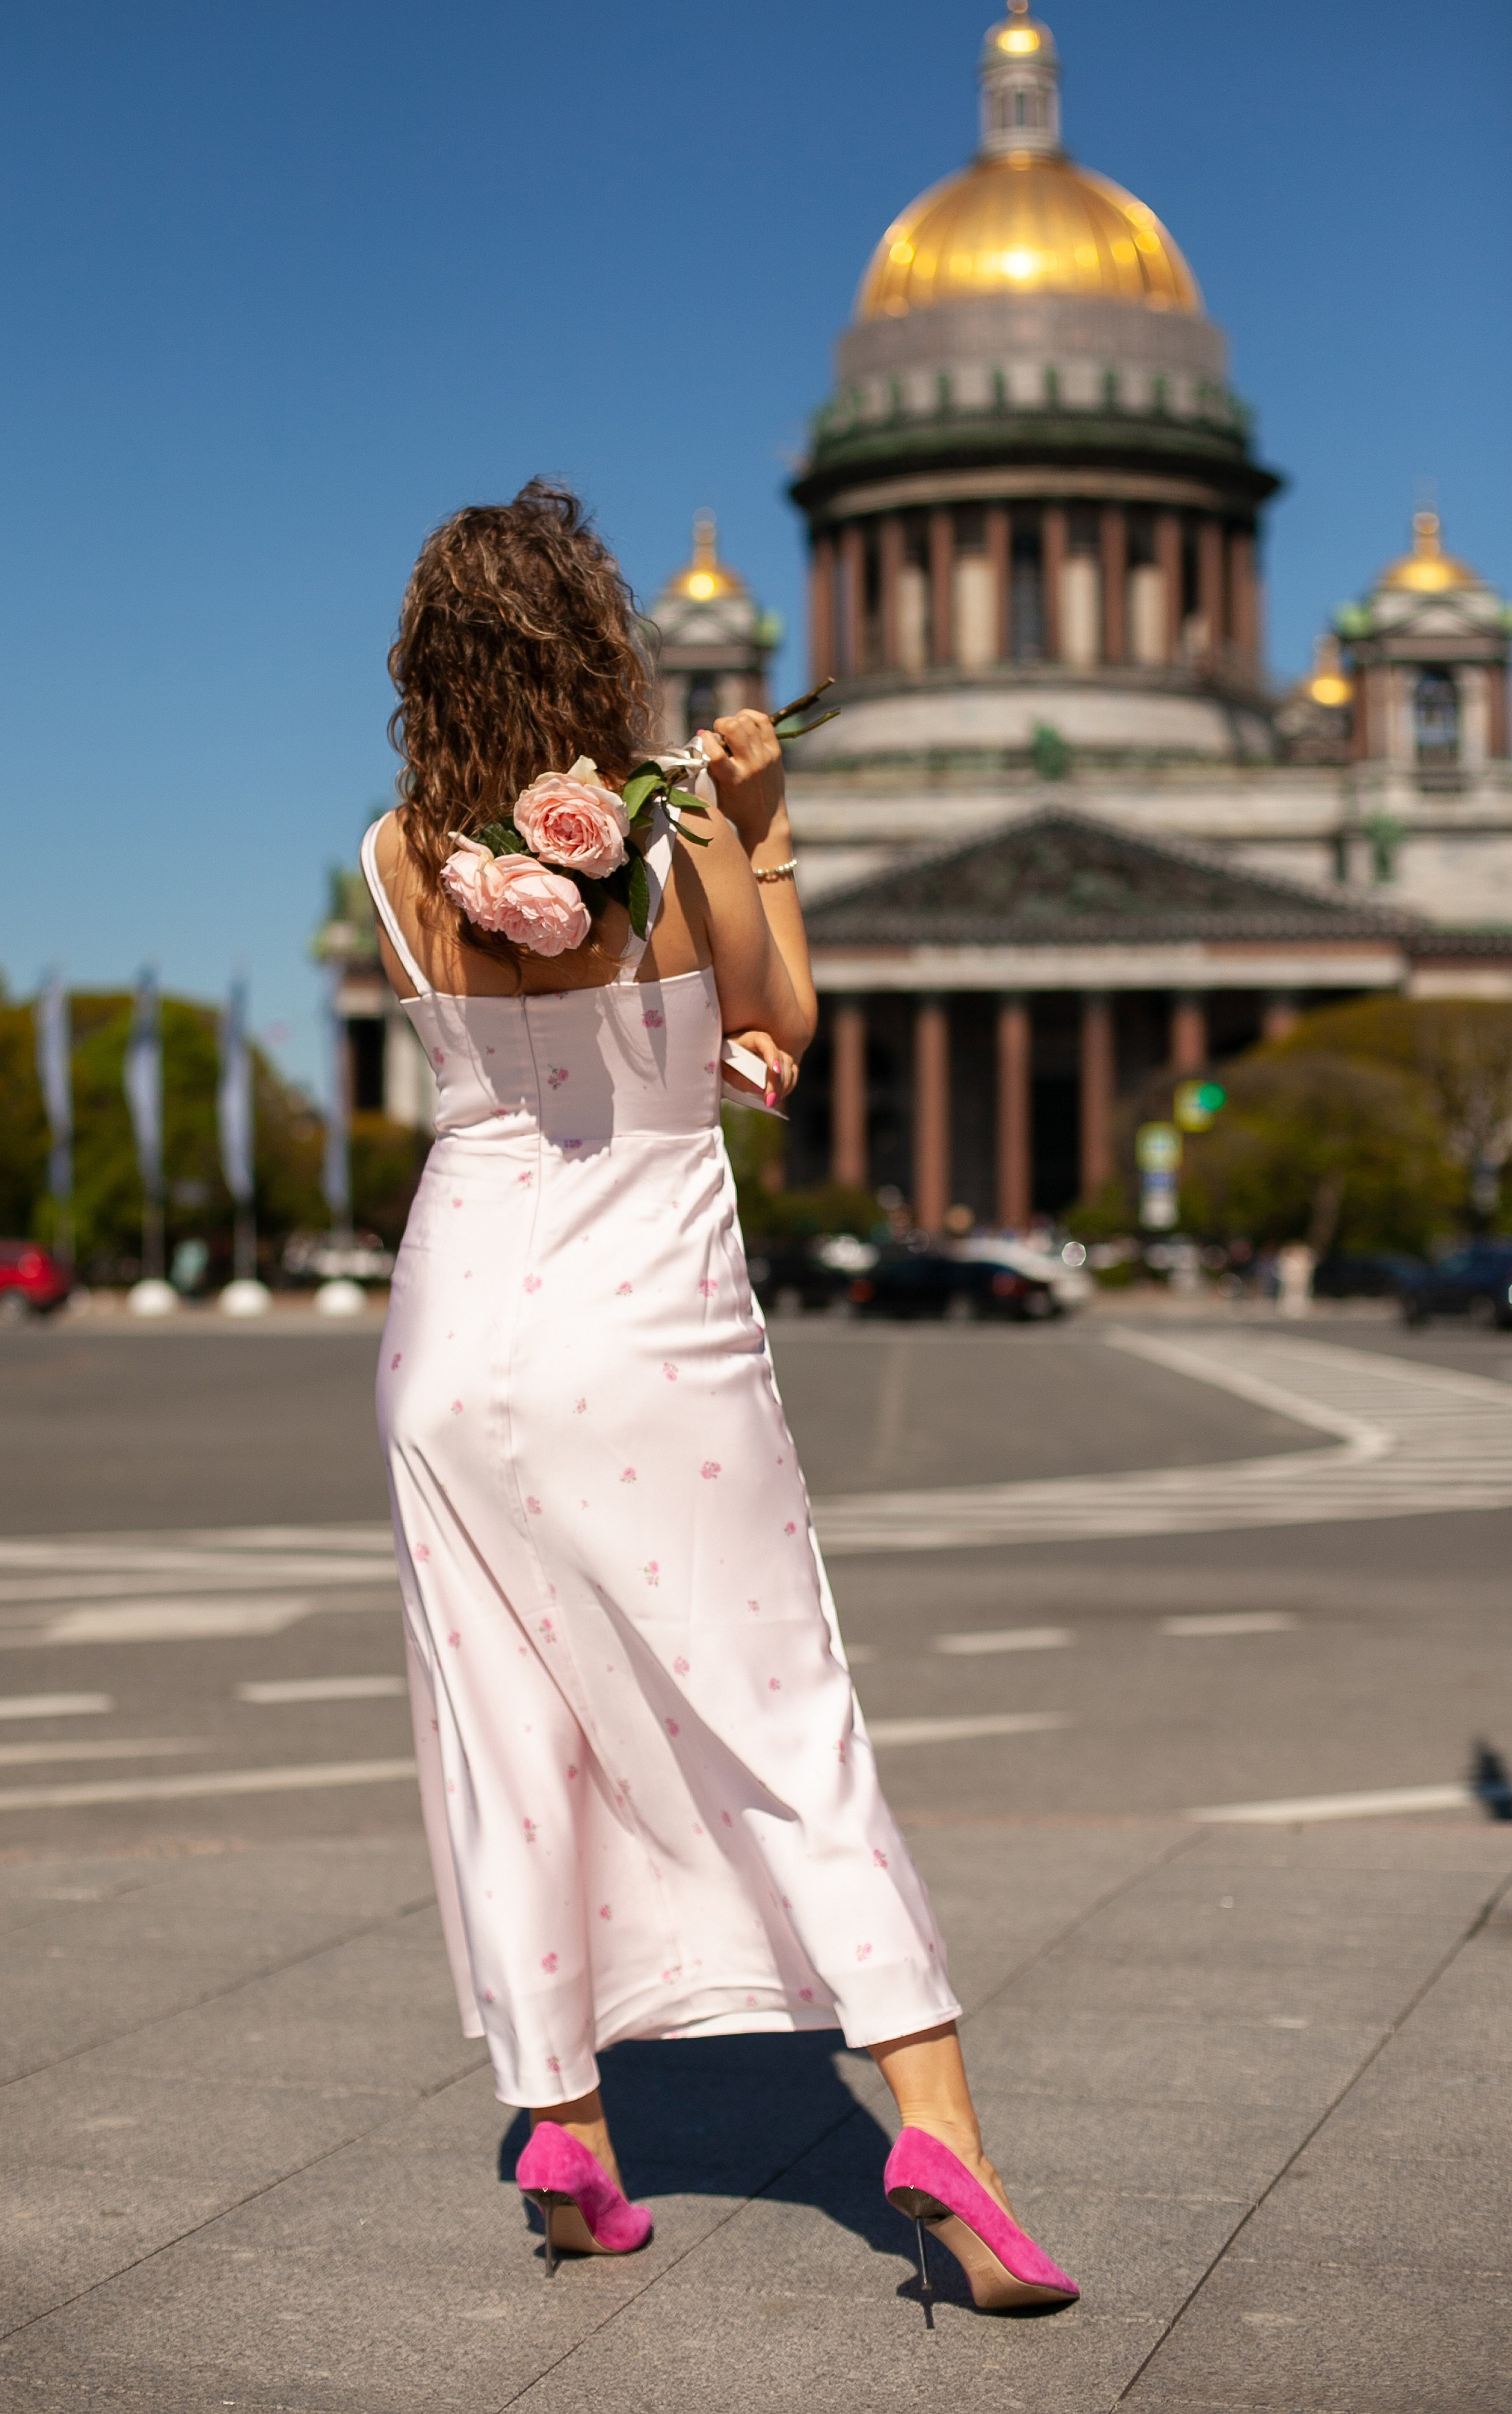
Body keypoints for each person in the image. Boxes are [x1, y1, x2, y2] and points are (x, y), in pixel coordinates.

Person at [362, 481, 1076, 2313]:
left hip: (452, 1336)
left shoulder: (387, 854)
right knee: (782, 1721)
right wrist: (758, 826)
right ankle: (943, 2140)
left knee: (508, 1741)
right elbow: (784, 1018)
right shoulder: (671, 847)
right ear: (607, 654)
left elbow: (532, 1035)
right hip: (648, 1337)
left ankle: (571, 2133)